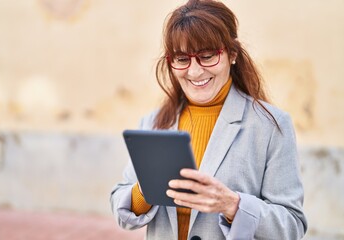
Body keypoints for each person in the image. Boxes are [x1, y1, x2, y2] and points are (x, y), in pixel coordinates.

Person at [110, 0, 308, 239]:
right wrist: (144, 189)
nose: (194, 72)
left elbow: (292, 225)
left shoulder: (271, 126)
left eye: (207, 56)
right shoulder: (154, 123)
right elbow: (122, 211)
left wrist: (233, 206)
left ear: (232, 54)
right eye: (182, 59)